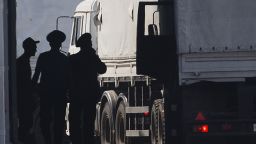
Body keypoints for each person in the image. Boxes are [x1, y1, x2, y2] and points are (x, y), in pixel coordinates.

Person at [32, 30, 70, 144]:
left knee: (45, 122)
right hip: (60, 95)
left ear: (50, 44)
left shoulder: (43, 57)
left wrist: (33, 90)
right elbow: (69, 79)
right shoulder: (64, 59)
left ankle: (48, 141)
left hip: (45, 95)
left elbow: (36, 77)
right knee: (58, 123)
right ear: (60, 44)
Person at [69, 33, 106, 144]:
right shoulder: (93, 58)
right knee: (88, 122)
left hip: (76, 95)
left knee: (75, 121)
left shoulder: (73, 59)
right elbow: (102, 69)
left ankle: (76, 141)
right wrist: (95, 56)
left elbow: (68, 76)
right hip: (90, 95)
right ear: (88, 45)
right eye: (90, 43)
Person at [16, 37, 39, 144]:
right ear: (29, 48)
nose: (36, 49)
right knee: (26, 123)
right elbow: (25, 83)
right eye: (34, 47)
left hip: (23, 99)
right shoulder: (22, 63)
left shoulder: (22, 61)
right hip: (24, 100)